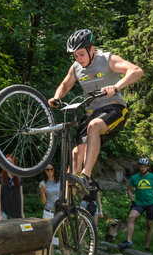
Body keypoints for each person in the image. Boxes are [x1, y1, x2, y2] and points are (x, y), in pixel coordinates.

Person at [48, 29, 144, 193]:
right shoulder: (76, 67)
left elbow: (137, 71)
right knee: (76, 154)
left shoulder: (107, 59)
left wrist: (116, 87)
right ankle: (67, 202)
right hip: (91, 112)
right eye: (75, 56)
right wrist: (56, 97)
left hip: (114, 108)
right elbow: (65, 84)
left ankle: (86, 176)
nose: (79, 59)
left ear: (91, 49)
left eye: (81, 54)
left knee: (94, 126)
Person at [118, 158, 153, 253]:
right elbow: (129, 190)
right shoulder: (134, 178)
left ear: (148, 167)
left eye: (144, 167)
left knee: (149, 225)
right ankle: (129, 241)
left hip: (150, 204)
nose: (142, 168)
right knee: (131, 217)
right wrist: (132, 201)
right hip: (139, 203)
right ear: (139, 167)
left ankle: (146, 247)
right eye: (141, 166)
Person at [0, 154, 25, 255]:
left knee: (15, 237)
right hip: (4, 211)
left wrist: (22, 212)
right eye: (7, 161)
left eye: (11, 161)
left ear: (14, 163)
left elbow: (21, 195)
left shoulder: (19, 178)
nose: (9, 163)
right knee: (1, 236)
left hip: (16, 212)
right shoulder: (0, 178)